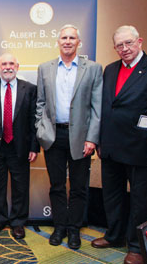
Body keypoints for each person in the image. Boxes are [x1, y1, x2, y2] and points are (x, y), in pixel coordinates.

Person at [92, 25, 147, 264]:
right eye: (119, 45)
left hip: (141, 147)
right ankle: (114, 235)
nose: (124, 49)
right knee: (112, 195)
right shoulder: (110, 69)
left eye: (128, 43)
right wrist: (99, 141)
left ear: (140, 41)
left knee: (139, 199)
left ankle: (137, 246)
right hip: (110, 146)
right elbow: (106, 107)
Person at [35, 24, 102, 249]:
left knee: (78, 186)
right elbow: (40, 103)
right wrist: (40, 129)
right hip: (53, 136)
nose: (67, 41)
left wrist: (92, 138)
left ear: (78, 42)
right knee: (56, 185)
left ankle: (74, 230)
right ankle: (59, 227)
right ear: (58, 41)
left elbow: (96, 107)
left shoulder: (92, 68)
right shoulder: (45, 68)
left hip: (80, 137)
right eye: (63, 37)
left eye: (72, 38)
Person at [0, 53, 38, 239]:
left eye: (11, 63)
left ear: (17, 66)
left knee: (20, 186)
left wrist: (34, 146)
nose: (7, 67)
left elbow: (34, 120)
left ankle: (18, 222)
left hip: (20, 145)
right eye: (3, 64)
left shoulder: (29, 89)